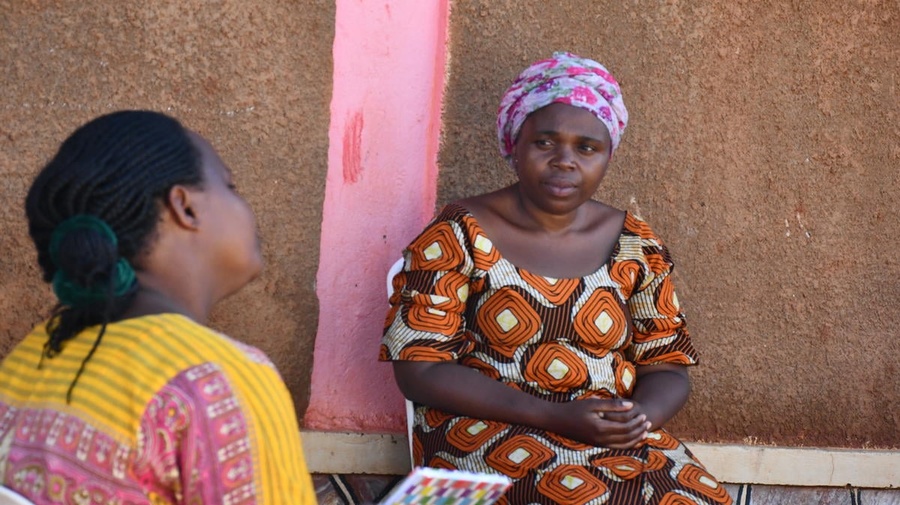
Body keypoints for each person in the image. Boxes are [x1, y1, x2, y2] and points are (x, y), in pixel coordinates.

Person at [380, 52, 732, 505]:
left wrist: (635, 418)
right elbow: (419, 369)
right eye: (545, 143)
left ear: (608, 155)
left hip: (613, 440)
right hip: (485, 434)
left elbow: (665, 363)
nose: (565, 161)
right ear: (515, 143)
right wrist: (555, 416)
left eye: (587, 148)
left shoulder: (635, 244)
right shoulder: (459, 233)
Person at [0, 111, 316, 504]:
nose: (246, 208)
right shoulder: (216, 384)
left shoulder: (32, 356)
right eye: (230, 186)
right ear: (185, 207)